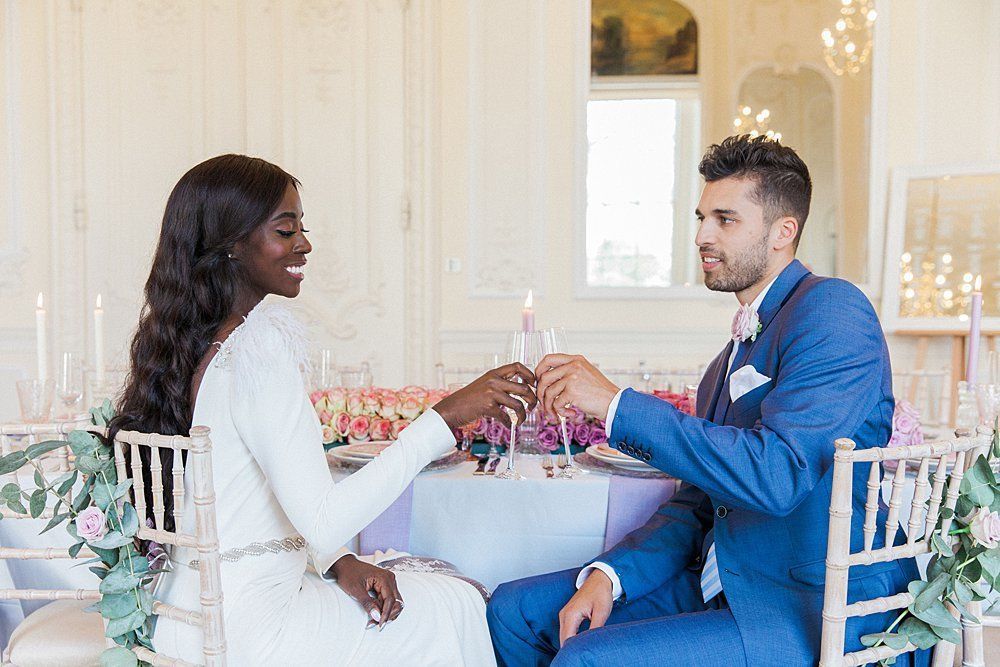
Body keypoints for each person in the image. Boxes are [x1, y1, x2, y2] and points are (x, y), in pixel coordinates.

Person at [487, 135, 925, 666]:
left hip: (812, 608)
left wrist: (614, 403)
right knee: (513, 611)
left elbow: (777, 476)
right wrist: (610, 575)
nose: (702, 236)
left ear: (783, 232)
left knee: (587, 657)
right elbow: (698, 504)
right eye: (701, 218)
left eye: (725, 219)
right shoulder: (726, 361)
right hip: (722, 583)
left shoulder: (833, 309)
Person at [112, 154, 533, 665]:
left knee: (424, 596)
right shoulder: (258, 350)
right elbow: (324, 519)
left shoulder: (183, 350)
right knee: (454, 603)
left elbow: (248, 503)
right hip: (255, 634)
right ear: (231, 246)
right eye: (285, 230)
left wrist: (337, 563)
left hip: (180, 621)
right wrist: (444, 418)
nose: (304, 244)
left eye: (301, 229)